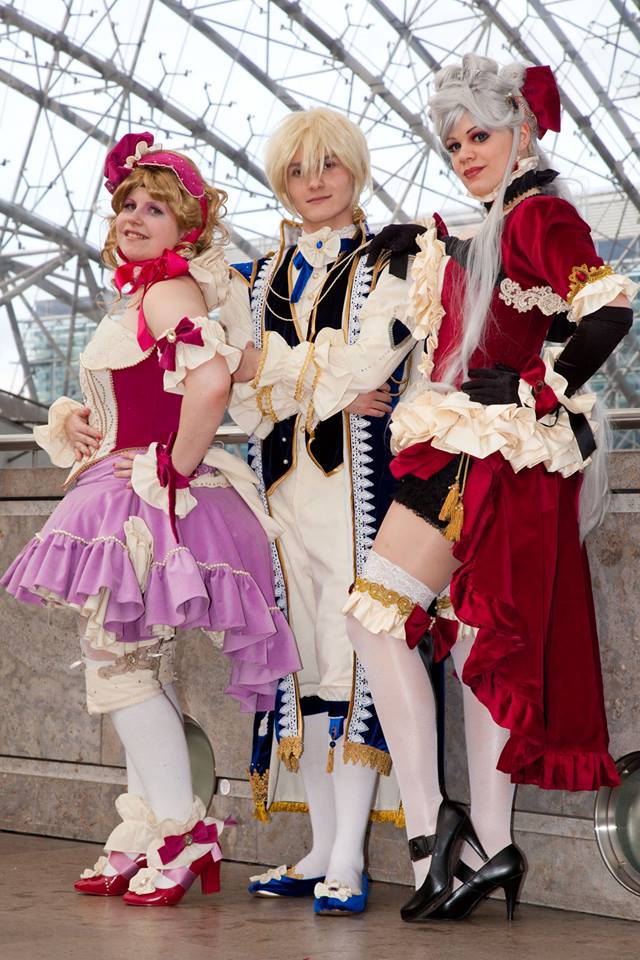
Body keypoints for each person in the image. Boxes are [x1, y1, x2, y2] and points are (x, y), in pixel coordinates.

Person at [335, 55, 636, 921]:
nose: (465, 152)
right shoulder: (510, 217)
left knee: (374, 618)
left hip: (484, 450)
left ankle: (433, 831)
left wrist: (537, 386)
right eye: (453, 142)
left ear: (523, 132)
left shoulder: (541, 213)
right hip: (489, 453)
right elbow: (511, 299)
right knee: (477, 645)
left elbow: (610, 307)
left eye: (480, 135)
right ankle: (491, 848)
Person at [1, 132, 300, 907]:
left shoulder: (168, 290)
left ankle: (182, 832)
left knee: (118, 668)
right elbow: (151, 388)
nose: (133, 216)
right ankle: (148, 830)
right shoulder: (146, 294)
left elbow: (209, 383)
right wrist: (83, 420)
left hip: (144, 497)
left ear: (186, 229)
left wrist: (171, 469)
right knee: (136, 665)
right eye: (127, 204)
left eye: (155, 209)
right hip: (130, 488)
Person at [222, 107, 421, 914]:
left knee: (352, 658)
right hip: (278, 496)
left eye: (328, 165)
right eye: (299, 169)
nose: (315, 182)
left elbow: (374, 358)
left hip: (359, 492)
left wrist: (276, 372)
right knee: (296, 660)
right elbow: (239, 394)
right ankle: (317, 850)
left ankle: (349, 857)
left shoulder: (398, 257)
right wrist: (320, 382)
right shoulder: (253, 276)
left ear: (354, 168)